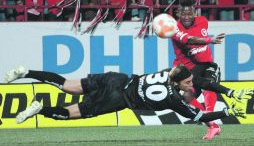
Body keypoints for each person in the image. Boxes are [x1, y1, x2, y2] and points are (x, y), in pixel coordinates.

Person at [4, 65, 253, 137]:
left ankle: (26, 73)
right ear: (179, 84)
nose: (192, 85)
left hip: (118, 78)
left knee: (67, 84)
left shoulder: (171, 71)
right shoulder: (173, 100)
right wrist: (226, 111)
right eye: (188, 84)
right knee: (68, 113)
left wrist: (228, 92)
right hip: (116, 98)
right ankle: (40, 109)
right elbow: (200, 116)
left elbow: (197, 80)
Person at [170, 0, 228, 140]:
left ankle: (210, 118)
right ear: (178, 13)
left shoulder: (203, 21)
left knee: (209, 85)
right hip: (187, 70)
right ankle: (212, 125)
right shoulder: (174, 29)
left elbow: (195, 39)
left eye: (190, 13)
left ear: (194, 12)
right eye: (183, 14)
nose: (187, 17)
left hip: (206, 64)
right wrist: (210, 40)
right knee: (186, 97)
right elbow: (190, 40)